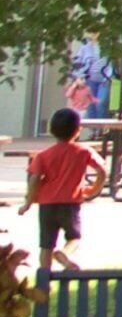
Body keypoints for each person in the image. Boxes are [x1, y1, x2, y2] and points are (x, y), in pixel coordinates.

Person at [21, 107, 101, 272]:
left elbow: (34, 178)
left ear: (51, 130)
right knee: (74, 237)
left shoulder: (43, 155)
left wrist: (28, 202)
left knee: (46, 245)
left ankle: (44, 281)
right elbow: (102, 170)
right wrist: (94, 189)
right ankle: (65, 254)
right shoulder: (84, 151)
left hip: (47, 204)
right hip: (70, 202)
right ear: (78, 130)